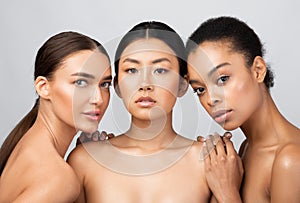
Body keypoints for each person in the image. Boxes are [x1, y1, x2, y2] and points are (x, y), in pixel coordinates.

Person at [68, 21, 236, 203]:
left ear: (182, 85)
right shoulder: (84, 161)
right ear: (117, 86)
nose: (145, 84)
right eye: (132, 70)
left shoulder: (211, 162)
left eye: (160, 70)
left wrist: (229, 193)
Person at [186, 16, 300, 202]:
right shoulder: (246, 148)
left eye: (222, 79)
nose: (211, 99)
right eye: (200, 89)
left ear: (258, 70)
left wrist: (226, 192)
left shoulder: (290, 160)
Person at [0, 31, 112, 202]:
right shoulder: (57, 179)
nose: (98, 98)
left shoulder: (26, 144)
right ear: (43, 87)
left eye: (104, 84)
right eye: (81, 82)